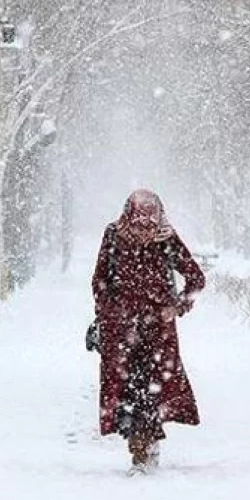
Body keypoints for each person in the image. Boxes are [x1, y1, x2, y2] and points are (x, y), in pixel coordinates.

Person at [91, 189, 206, 474]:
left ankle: (144, 449)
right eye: (139, 219)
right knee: (130, 391)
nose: (144, 227)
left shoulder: (166, 238)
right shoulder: (114, 235)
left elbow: (196, 278)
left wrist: (178, 307)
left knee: (148, 391)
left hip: (157, 334)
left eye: (149, 221)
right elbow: (100, 280)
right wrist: (109, 311)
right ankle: (140, 447)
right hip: (122, 332)